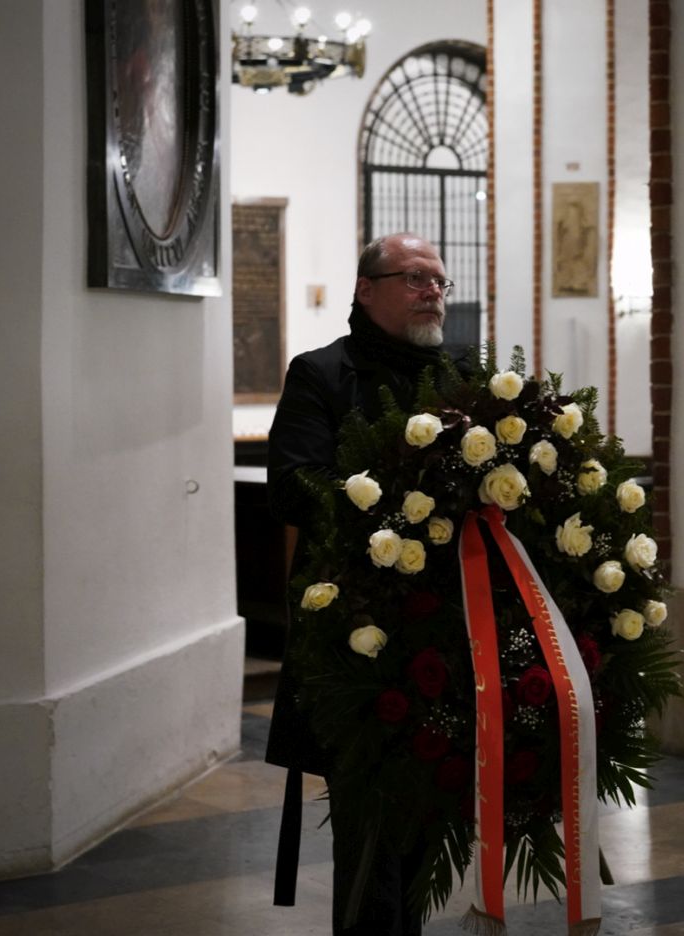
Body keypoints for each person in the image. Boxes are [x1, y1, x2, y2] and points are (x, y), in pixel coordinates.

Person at [265, 232, 460, 935]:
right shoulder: (321, 373)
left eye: (439, 281)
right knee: (370, 821)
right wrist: (396, 509)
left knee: (427, 811)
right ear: (365, 289)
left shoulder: (459, 379)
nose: (433, 291)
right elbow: (292, 485)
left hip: (445, 629)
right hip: (357, 632)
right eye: (414, 278)